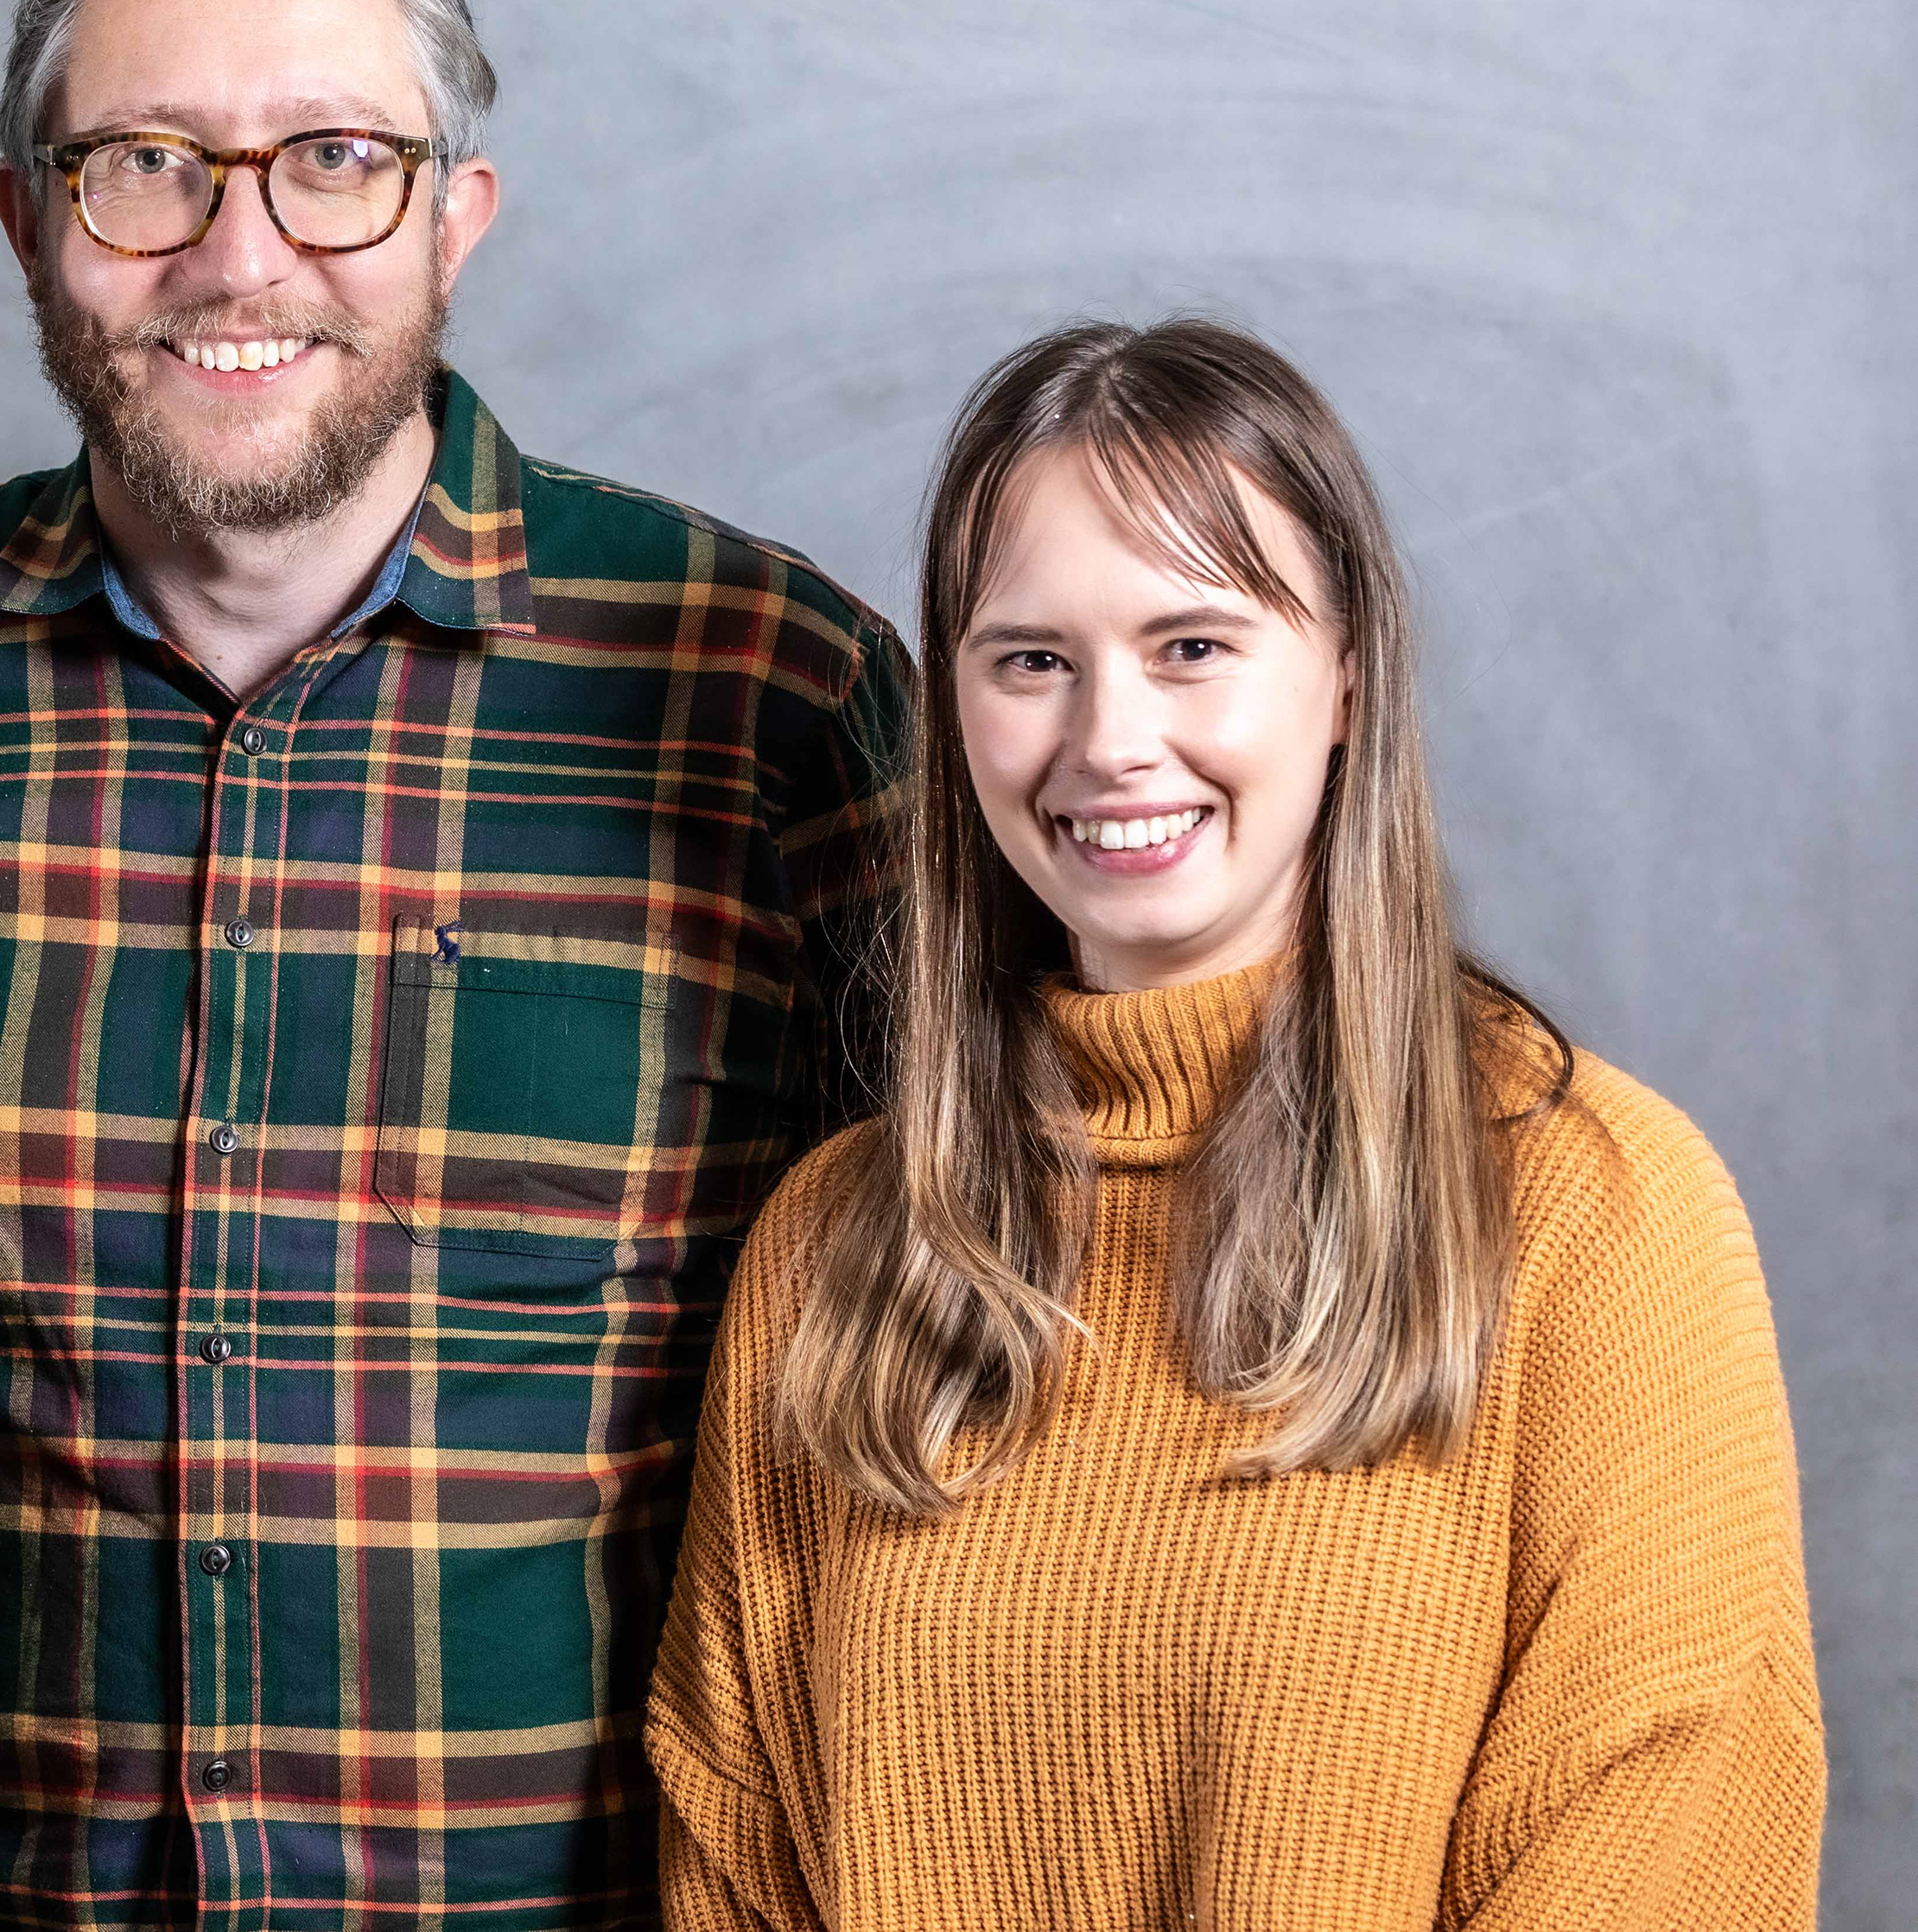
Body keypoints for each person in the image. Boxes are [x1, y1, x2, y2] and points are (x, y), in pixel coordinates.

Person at [0, 0, 910, 1931]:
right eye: (147, 165)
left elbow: (922, 1391)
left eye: (335, 160)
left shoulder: (772, 698)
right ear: (28, 223)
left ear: (456, 216)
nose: (241, 253)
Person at [646, 319, 1825, 1929]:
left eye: (1193, 644)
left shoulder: (1594, 1207)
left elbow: (1670, 1830)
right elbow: (733, 1852)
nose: (1109, 740)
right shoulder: (839, 1249)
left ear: (1346, 676)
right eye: (1031, 660)